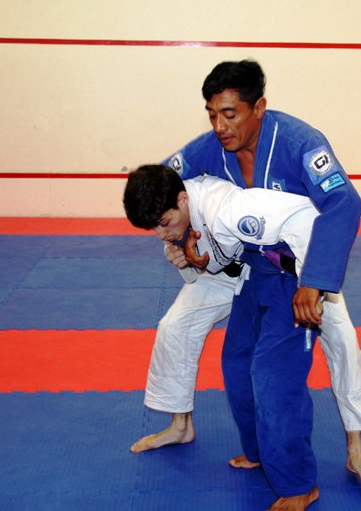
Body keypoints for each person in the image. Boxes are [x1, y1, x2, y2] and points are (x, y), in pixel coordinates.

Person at [131, 59, 361, 489]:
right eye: (212, 115)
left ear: (259, 107)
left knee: (342, 340)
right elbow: (159, 185)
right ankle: (180, 424)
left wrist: (315, 282)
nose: (220, 126)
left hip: (301, 263)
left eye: (230, 114)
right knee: (176, 325)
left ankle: (356, 448)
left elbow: (345, 203)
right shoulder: (211, 146)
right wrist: (183, 238)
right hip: (239, 261)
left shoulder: (301, 143)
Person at [125, 164, 329, 509]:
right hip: (254, 272)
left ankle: (300, 484)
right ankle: (259, 451)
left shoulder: (230, 210)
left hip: (297, 277)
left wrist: (314, 284)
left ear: (182, 200)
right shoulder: (181, 217)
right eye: (154, 228)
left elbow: (312, 221)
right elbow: (217, 262)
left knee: (274, 377)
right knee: (236, 365)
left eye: (164, 223)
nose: (161, 234)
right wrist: (186, 258)